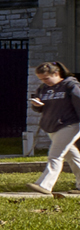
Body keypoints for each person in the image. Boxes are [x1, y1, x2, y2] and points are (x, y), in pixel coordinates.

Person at [29, 62, 80, 195]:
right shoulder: (43, 88)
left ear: (56, 74)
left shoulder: (71, 86)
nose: (44, 81)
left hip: (70, 125)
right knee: (72, 156)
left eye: (46, 78)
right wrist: (37, 105)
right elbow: (40, 108)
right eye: (41, 79)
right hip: (52, 126)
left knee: (55, 155)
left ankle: (44, 185)